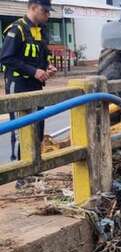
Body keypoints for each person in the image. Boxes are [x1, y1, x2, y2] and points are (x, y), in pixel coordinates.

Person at [0, 0, 57, 161]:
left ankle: (35, 169)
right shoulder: (17, 29)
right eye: (44, 11)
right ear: (32, 8)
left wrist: (48, 67)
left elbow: (41, 57)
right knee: (21, 129)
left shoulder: (41, 30)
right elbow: (6, 58)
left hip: (35, 86)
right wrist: (34, 72)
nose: (48, 14)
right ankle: (21, 174)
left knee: (38, 127)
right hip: (18, 85)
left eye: (48, 11)